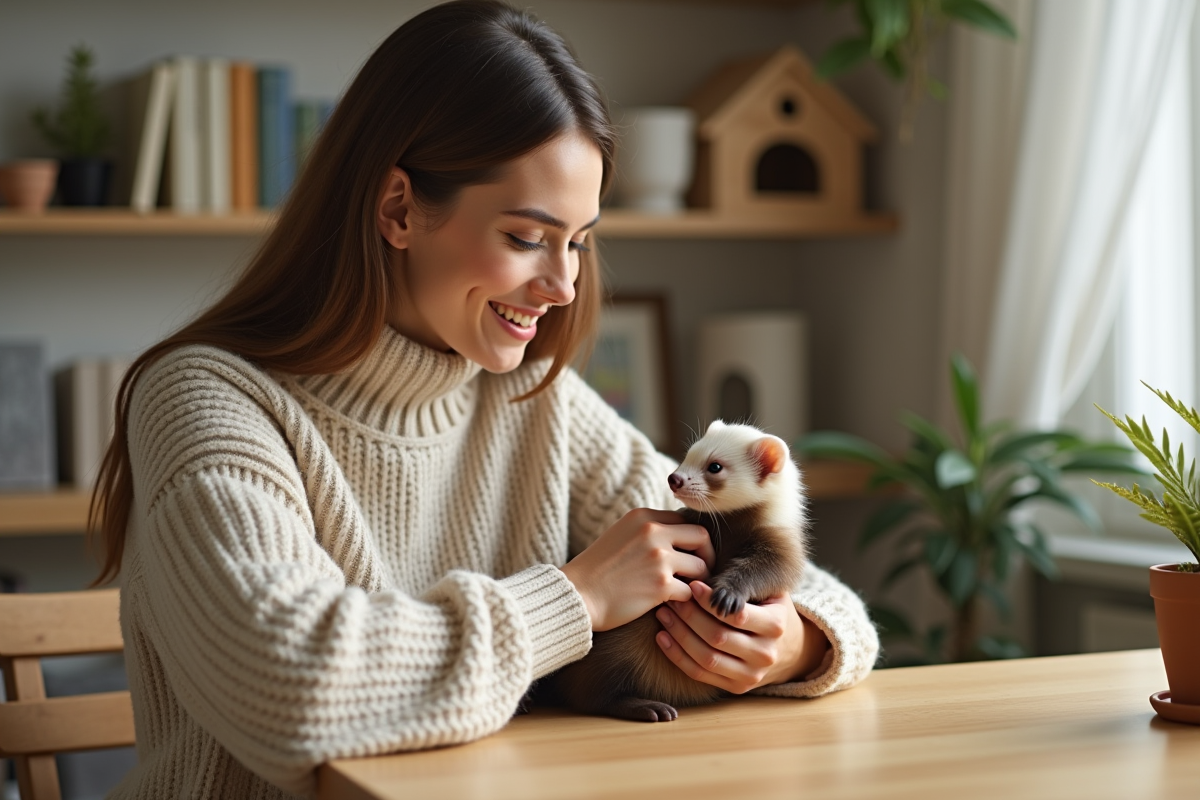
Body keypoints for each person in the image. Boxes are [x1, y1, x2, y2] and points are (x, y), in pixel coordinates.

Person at [93, 2, 879, 797]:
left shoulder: (537, 401)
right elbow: (294, 687)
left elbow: (803, 583)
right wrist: (576, 598)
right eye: (525, 237)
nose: (564, 285)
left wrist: (791, 645)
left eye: (576, 241)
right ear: (398, 208)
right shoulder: (205, 400)